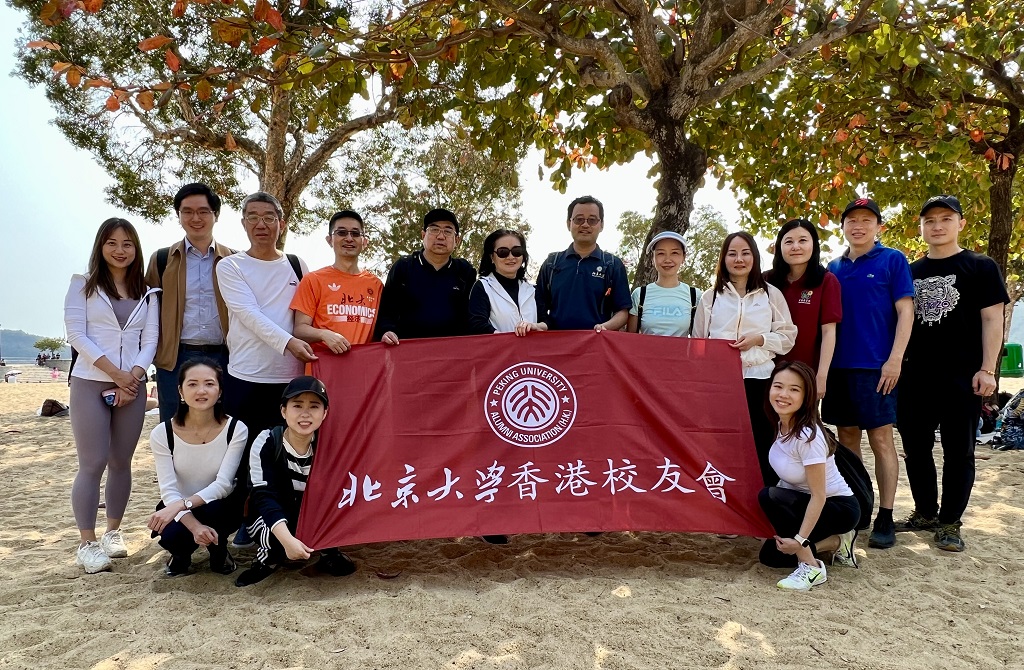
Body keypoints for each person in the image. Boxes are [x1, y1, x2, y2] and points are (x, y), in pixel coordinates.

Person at [895, 195, 1009, 552]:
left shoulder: (981, 266)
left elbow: (993, 319)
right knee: (916, 449)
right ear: (921, 227)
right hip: (915, 376)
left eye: (946, 218)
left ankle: (949, 522)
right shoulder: (909, 271)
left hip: (962, 376)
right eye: (929, 220)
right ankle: (926, 513)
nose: (937, 226)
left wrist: (988, 369)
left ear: (961, 223)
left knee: (959, 452)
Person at [216, 191, 314, 548]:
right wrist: (288, 342)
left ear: (281, 223)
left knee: (287, 454)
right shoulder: (230, 266)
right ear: (243, 223)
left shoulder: (297, 266)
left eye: (269, 217)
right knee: (245, 454)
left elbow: (309, 316)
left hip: (291, 378)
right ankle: (249, 520)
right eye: (253, 217)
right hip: (247, 376)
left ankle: (289, 522)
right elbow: (249, 314)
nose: (261, 224)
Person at [64, 218, 160, 574]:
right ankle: (86, 543)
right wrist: (115, 374)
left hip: (133, 384)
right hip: (90, 381)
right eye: (112, 243)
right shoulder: (82, 284)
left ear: (136, 249)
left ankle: (112, 532)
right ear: (100, 246)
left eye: (127, 244)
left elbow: (150, 340)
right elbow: (77, 334)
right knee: (92, 463)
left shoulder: (148, 292)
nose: (120, 250)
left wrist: (132, 377)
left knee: (121, 461)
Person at [822, 198, 914, 549]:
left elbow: (906, 312)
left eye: (866, 220)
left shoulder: (893, 260)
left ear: (878, 226)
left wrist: (895, 359)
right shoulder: (833, 267)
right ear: (843, 227)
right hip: (839, 368)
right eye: (852, 220)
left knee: (881, 439)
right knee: (846, 439)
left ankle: (886, 515)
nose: (858, 226)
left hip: (877, 368)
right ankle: (860, 505)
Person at [692, 231, 796, 486]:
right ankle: (725, 496)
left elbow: (788, 337)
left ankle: (764, 496)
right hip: (720, 384)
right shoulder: (710, 297)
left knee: (762, 440)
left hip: (760, 379)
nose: (739, 259)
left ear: (755, 257)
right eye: (732, 254)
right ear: (723, 259)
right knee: (721, 441)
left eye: (745, 253)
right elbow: (697, 343)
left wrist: (759, 339)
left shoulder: (771, 294)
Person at [235, 376, 357, 586]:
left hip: (312, 514)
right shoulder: (267, 441)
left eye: (314, 406)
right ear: (283, 411)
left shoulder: (329, 445)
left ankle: (328, 552)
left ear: (325, 413)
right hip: (269, 515)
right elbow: (263, 496)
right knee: (276, 538)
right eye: (297, 405)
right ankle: (267, 560)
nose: (305, 413)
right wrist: (287, 541)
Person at [758, 361, 860, 591]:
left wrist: (800, 541)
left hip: (837, 507)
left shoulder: (808, 436)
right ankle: (837, 542)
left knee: (769, 496)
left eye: (794, 389)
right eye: (778, 386)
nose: (783, 394)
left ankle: (812, 567)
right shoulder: (781, 424)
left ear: (806, 397)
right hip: (803, 503)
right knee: (771, 558)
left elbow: (819, 495)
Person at [146, 359, 248, 575]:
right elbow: (168, 491)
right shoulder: (162, 433)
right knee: (173, 534)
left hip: (220, 505)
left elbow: (223, 485)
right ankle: (180, 554)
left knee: (218, 511)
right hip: (179, 506)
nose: (201, 391)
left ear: (220, 392)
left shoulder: (236, 429)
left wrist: (181, 505)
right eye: (192, 384)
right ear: (180, 391)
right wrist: (194, 526)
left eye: (209, 384)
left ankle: (219, 549)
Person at [146, 183, 234, 422]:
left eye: (203, 211)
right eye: (187, 211)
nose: (196, 218)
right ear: (178, 215)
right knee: (174, 426)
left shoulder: (235, 260)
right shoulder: (162, 259)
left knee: (224, 426)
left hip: (225, 357)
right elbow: (147, 312)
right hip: (174, 359)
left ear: (216, 215)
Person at [374, 208, 478, 344]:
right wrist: (386, 330)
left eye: (448, 231)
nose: (440, 237)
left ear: (457, 240)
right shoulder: (403, 267)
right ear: (423, 235)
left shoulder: (465, 271)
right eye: (434, 230)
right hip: (407, 349)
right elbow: (386, 311)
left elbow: (472, 316)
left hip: (453, 350)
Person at [764, 219, 842, 397]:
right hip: (766, 373)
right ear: (779, 247)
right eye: (788, 241)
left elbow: (829, 332)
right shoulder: (765, 281)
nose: (795, 247)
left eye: (803, 240)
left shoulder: (827, 281)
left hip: (806, 374)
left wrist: (821, 376)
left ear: (814, 245)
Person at [291, 210, 383, 357]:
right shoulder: (313, 280)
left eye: (355, 233)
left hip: (364, 366)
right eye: (341, 233)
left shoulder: (376, 285)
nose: (349, 238)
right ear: (329, 240)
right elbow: (299, 329)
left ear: (364, 241)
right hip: (324, 366)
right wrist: (324, 334)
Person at [535, 195, 631, 332]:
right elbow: (539, 306)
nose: (585, 225)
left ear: (601, 225)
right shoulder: (551, 263)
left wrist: (604, 328)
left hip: (597, 341)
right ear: (569, 223)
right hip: (556, 342)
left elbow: (622, 311)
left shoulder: (612, 265)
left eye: (592, 220)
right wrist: (542, 325)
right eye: (579, 219)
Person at [468, 228, 546, 336]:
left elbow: (547, 321)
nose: (511, 257)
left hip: (532, 347)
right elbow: (477, 325)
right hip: (498, 347)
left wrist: (535, 326)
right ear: (492, 257)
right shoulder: (483, 287)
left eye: (516, 251)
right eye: (503, 252)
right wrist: (507, 341)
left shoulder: (532, 290)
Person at [627, 231, 698, 337]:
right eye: (661, 253)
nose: (667, 260)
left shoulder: (695, 296)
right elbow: (630, 339)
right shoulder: (640, 295)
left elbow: (701, 339)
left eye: (674, 253)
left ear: (683, 257)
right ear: (653, 258)